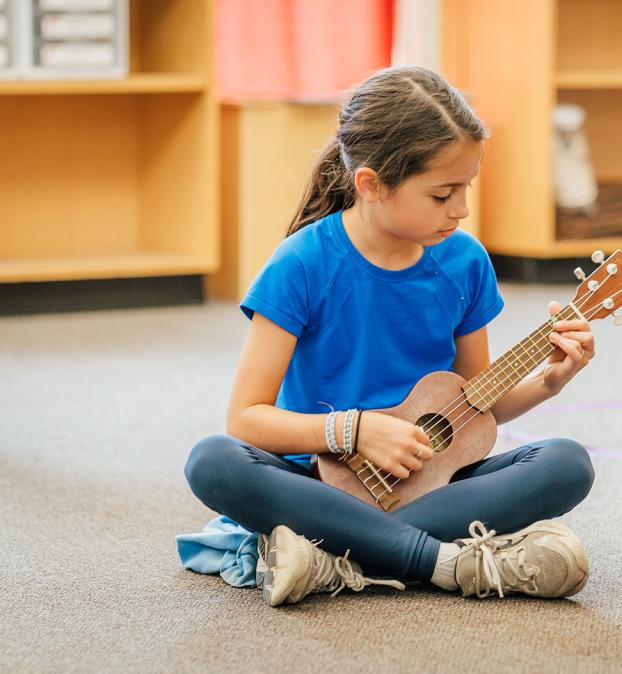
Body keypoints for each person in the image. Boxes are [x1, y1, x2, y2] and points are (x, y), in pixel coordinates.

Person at [184, 66, 596, 608]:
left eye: (466, 188)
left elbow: (473, 408)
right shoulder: (303, 264)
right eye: (442, 193)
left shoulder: (465, 262)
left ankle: (336, 555)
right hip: (317, 474)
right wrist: (354, 431)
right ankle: (444, 562)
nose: (462, 210)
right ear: (371, 184)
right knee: (212, 460)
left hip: (431, 480)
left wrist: (549, 381)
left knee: (566, 463)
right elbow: (246, 419)